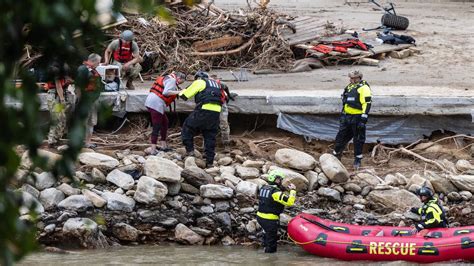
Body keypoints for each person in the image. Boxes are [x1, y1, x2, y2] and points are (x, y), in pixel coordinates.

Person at [179, 71, 222, 168]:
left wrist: (181, 91)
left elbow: (184, 96)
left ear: (198, 77)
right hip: (216, 113)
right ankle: (209, 161)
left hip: (204, 110)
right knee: (210, 135)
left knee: (187, 128)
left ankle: (190, 152)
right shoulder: (216, 84)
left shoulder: (199, 82)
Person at [332, 70, 372, 170]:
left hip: (357, 117)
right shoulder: (349, 87)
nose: (351, 79)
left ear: (359, 78)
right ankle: (336, 154)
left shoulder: (364, 88)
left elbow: (367, 103)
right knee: (341, 136)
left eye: (353, 78)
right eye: (350, 78)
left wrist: (363, 118)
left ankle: (357, 160)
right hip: (346, 116)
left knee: (358, 139)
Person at [144, 71, 186, 155]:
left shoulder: (167, 77)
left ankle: (163, 145)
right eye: (181, 82)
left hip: (152, 102)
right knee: (157, 126)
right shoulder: (172, 80)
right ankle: (153, 150)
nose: (180, 84)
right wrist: (179, 92)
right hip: (156, 104)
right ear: (179, 78)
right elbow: (165, 92)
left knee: (165, 122)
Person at [257, 170, 297, 253]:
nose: (281, 181)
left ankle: (264, 249)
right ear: (276, 179)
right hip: (269, 220)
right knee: (272, 244)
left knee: (266, 236)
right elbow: (290, 202)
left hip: (260, 218)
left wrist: (284, 188)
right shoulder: (275, 193)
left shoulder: (264, 188)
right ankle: (269, 258)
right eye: (280, 179)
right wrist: (293, 191)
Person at [76, 53, 102, 148]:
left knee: (91, 121)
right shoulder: (83, 70)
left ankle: (87, 142)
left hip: (93, 100)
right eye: (98, 63)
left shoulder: (93, 70)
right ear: (93, 61)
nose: (98, 65)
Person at [45, 60, 73, 146]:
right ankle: (51, 140)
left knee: (61, 117)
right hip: (55, 97)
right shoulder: (56, 72)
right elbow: (58, 86)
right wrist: (62, 99)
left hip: (59, 96)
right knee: (56, 118)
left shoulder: (63, 72)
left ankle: (56, 138)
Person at [210, 74, 237, 152]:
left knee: (224, 125)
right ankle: (209, 147)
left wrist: (228, 95)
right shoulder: (204, 84)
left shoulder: (219, 84)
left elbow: (225, 87)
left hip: (221, 105)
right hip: (210, 106)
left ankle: (226, 145)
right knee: (210, 126)